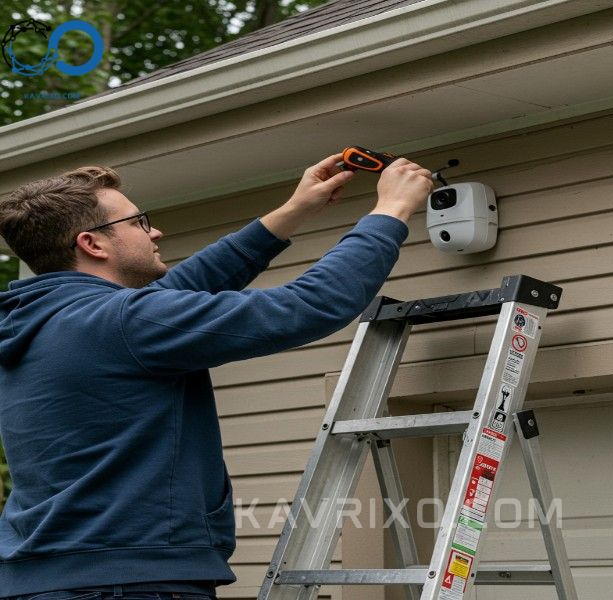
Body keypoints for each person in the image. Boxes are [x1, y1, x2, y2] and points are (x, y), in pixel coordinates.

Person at [0, 154, 433, 599]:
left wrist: (292, 212)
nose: (154, 232)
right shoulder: (123, 322)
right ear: (92, 243)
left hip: (50, 580)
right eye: (138, 222)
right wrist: (390, 211)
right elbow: (309, 306)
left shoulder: (44, 322)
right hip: (128, 583)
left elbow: (179, 288)